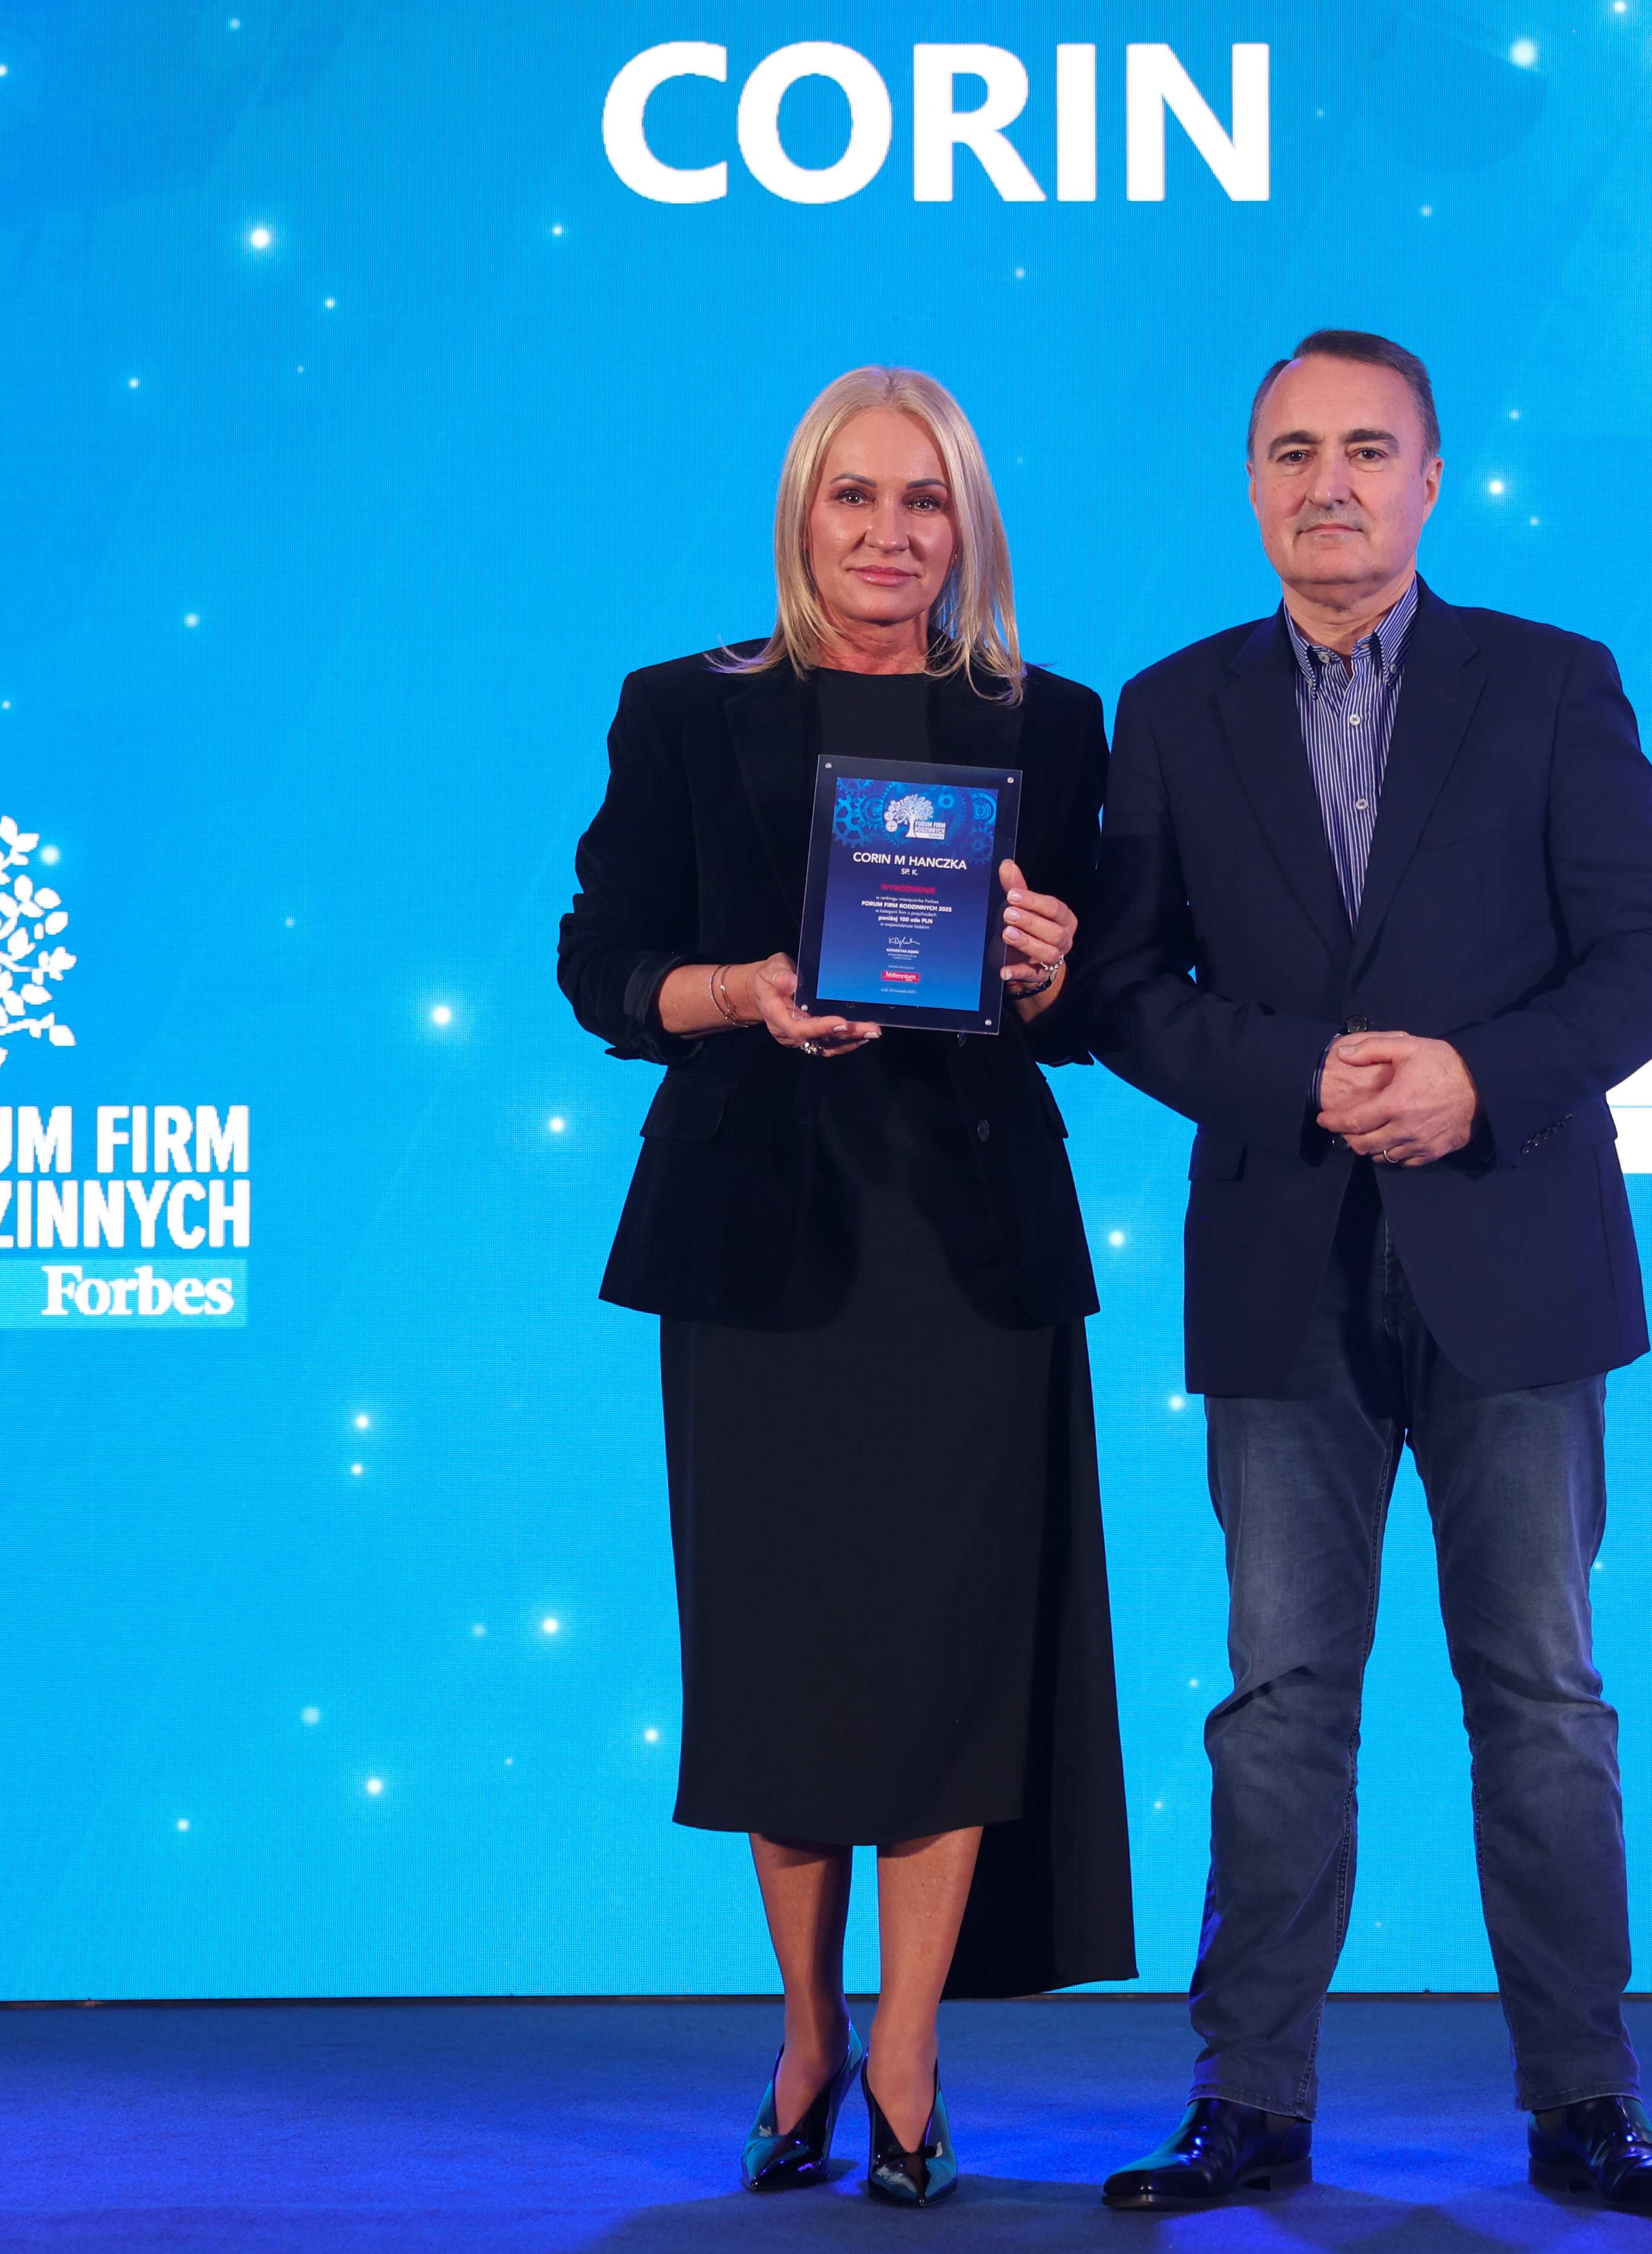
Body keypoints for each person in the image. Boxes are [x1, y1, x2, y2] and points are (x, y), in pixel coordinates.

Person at [1080, 331, 1652, 2215]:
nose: (1329, 485)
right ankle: (1246, 2102)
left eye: (1367, 450)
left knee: (1540, 1695)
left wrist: (1474, 1079)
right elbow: (1121, 987)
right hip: (1281, 1262)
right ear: (1250, 483)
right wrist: (1301, 1074)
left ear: (1432, 479)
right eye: (1292, 452)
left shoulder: (1549, 682)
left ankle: (1586, 2104)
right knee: (1281, 1698)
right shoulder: (1172, 707)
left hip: (1512, 1252)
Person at [556, 366, 1136, 2209]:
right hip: (759, 1250)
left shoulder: (1051, 720)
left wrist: (1048, 968)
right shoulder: (681, 707)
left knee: (951, 1660)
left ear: (969, 526)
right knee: (786, 1660)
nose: (889, 534)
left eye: (924, 499)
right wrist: (737, 994)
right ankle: (806, 2033)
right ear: (800, 517)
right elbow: (599, 965)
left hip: (966, 1256)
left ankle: (907, 2056)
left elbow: (1089, 1010)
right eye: (853, 497)